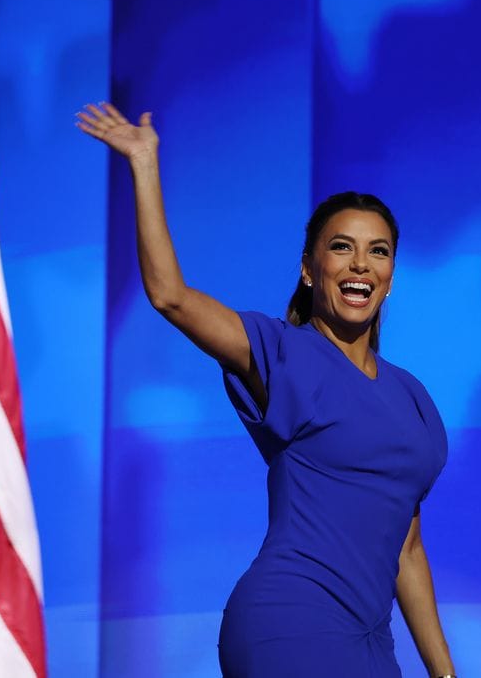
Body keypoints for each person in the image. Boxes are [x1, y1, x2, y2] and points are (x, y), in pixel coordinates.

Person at [77, 103, 456, 678]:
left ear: (391, 276)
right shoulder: (284, 352)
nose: (360, 263)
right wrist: (144, 162)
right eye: (341, 246)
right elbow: (170, 296)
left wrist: (445, 673)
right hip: (291, 619)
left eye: (377, 250)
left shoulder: (414, 399)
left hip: (373, 643)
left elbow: (406, 548)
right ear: (309, 268)